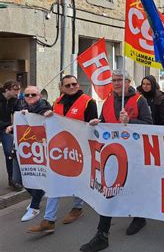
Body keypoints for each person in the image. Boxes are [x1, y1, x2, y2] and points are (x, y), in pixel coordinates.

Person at [80, 70, 152, 252]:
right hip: (112, 153)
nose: (117, 83)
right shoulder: (108, 100)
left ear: (128, 82)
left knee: (133, 187)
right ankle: (102, 235)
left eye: (120, 80)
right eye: (114, 80)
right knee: (108, 190)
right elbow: (106, 121)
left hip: (134, 154)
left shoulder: (139, 100)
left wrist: (131, 121)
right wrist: (98, 122)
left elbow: (150, 126)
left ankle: (139, 217)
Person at [26, 75, 98, 233]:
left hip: (80, 148)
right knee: (55, 181)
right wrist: (46, 115)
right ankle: (49, 219)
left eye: (74, 84)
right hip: (60, 149)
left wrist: (93, 123)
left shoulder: (88, 102)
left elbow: (94, 125)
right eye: (68, 85)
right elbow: (52, 122)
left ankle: (77, 208)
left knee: (78, 179)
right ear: (62, 88)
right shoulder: (57, 102)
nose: (72, 87)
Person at [6, 85, 52, 222]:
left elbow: (47, 125)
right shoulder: (21, 107)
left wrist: (42, 115)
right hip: (20, 149)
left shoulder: (45, 109)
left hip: (37, 151)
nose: (30, 97)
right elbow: (22, 128)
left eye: (33, 95)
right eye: (27, 95)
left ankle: (35, 206)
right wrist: (12, 128)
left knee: (35, 177)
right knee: (18, 178)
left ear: (40, 96)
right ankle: (40, 194)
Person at [0, 80, 22, 191]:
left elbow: (18, 114)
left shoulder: (15, 100)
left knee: (10, 152)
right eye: (15, 89)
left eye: (19, 89)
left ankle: (11, 179)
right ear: (7, 89)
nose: (18, 92)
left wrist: (13, 126)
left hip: (5, 129)